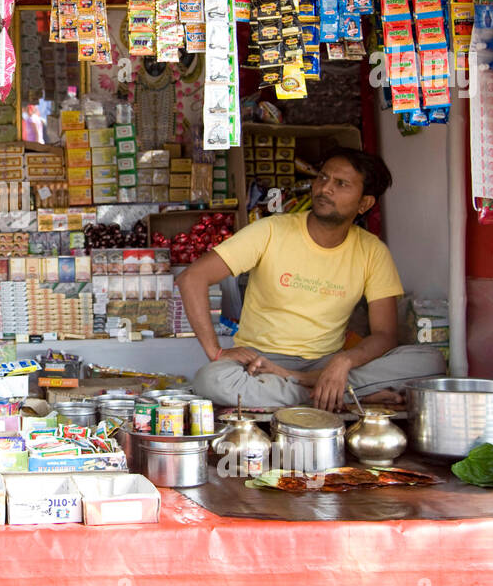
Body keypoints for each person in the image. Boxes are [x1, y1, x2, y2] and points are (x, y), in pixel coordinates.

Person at [179, 148, 444, 411]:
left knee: (430, 362)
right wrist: (217, 353)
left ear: (365, 203)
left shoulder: (372, 251)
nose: (325, 188)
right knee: (211, 380)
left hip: (327, 364)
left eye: (341, 184)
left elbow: (385, 335)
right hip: (259, 364)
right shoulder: (271, 230)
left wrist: (343, 362)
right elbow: (192, 278)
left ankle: (308, 385)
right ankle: (340, 395)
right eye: (323, 178)